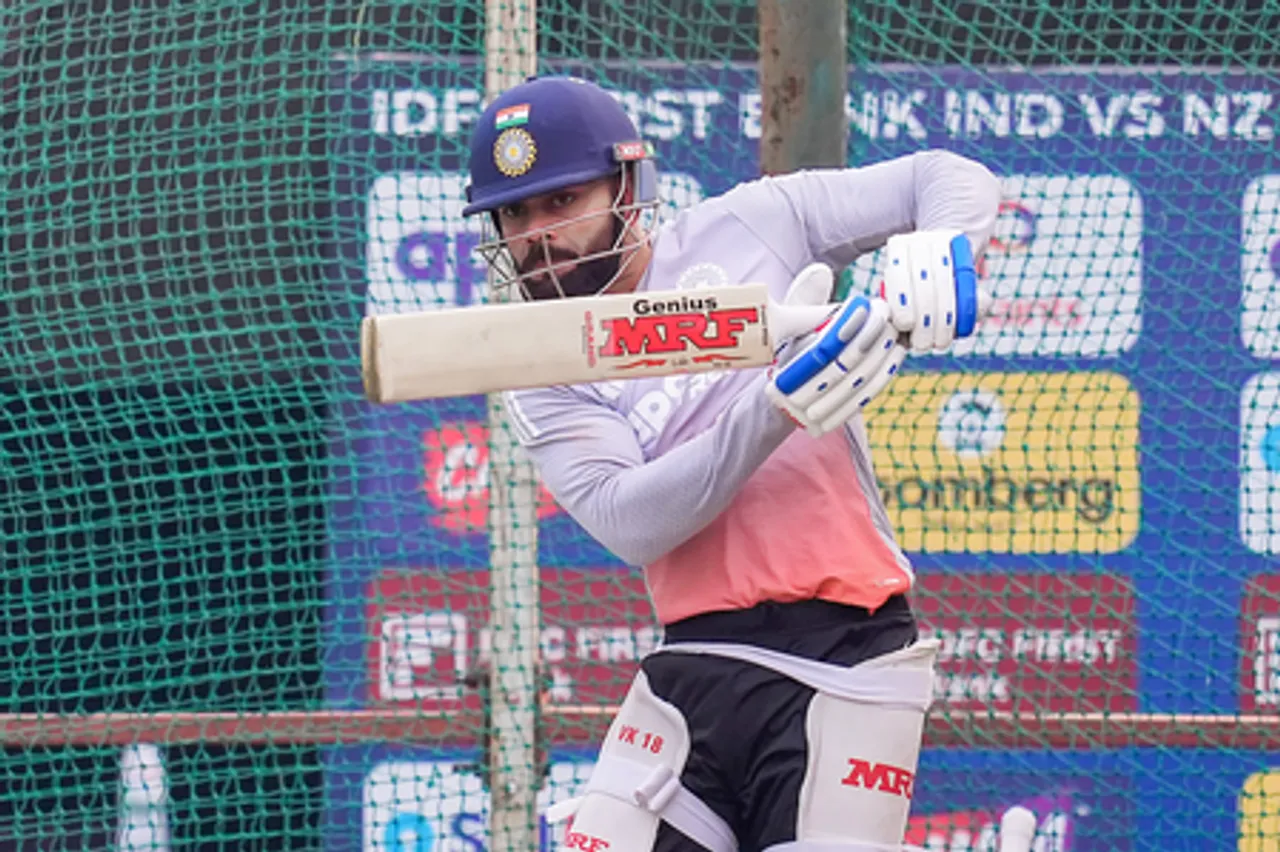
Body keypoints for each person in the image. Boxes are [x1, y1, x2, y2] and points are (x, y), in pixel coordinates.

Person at [459, 74, 1002, 852]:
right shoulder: (542, 362)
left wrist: (941, 247)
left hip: (846, 650)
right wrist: (774, 405)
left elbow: (946, 178)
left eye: (561, 201)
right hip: (693, 658)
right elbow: (631, 521)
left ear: (626, 185)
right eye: (515, 213)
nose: (537, 232)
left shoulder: (751, 224)